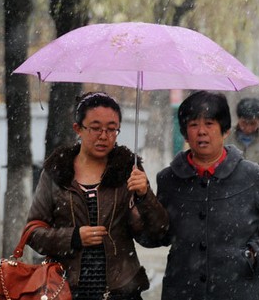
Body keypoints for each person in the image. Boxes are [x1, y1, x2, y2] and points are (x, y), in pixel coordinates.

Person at [26, 92, 169, 300]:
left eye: (112, 129)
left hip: (121, 291)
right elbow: (33, 233)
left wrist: (144, 195)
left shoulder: (128, 170)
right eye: (95, 128)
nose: (104, 136)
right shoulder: (57, 172)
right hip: (65, 290)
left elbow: (157, 233)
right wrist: (74, 237)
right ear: (78, 129)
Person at [151, 90, 259, 300]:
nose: (201, 132)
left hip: (240, 290)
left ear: (225, 131)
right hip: (183, 291)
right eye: (193, 125)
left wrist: (254, 254)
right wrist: (142, 199)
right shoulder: (169, 179)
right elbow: (157, 236)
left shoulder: (252, 177)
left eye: (209, 124)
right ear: (184, 133)